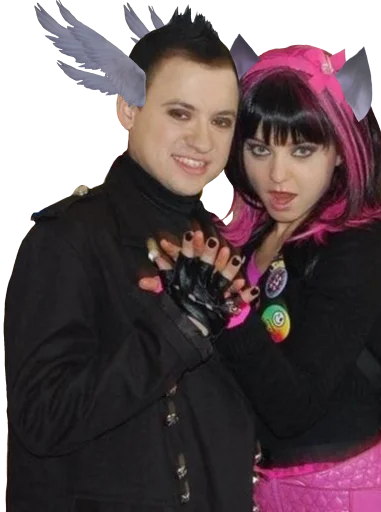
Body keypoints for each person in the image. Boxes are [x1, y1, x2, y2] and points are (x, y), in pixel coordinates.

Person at [143, 44, 381, 511]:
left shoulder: (359, 247)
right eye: (259, 148)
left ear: (340, 151)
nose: (277, 174)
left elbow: (294, 407)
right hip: (262, 487)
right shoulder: (256, 238)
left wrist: (229, 310)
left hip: (340, 495)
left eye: (302, 150)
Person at [5, 8, 258, 512]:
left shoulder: (215, 246)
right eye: (180, 113)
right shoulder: (68, 241)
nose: (203, 141)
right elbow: (40, 419)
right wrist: (175, 330)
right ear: (128, 108)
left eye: (221, 121)